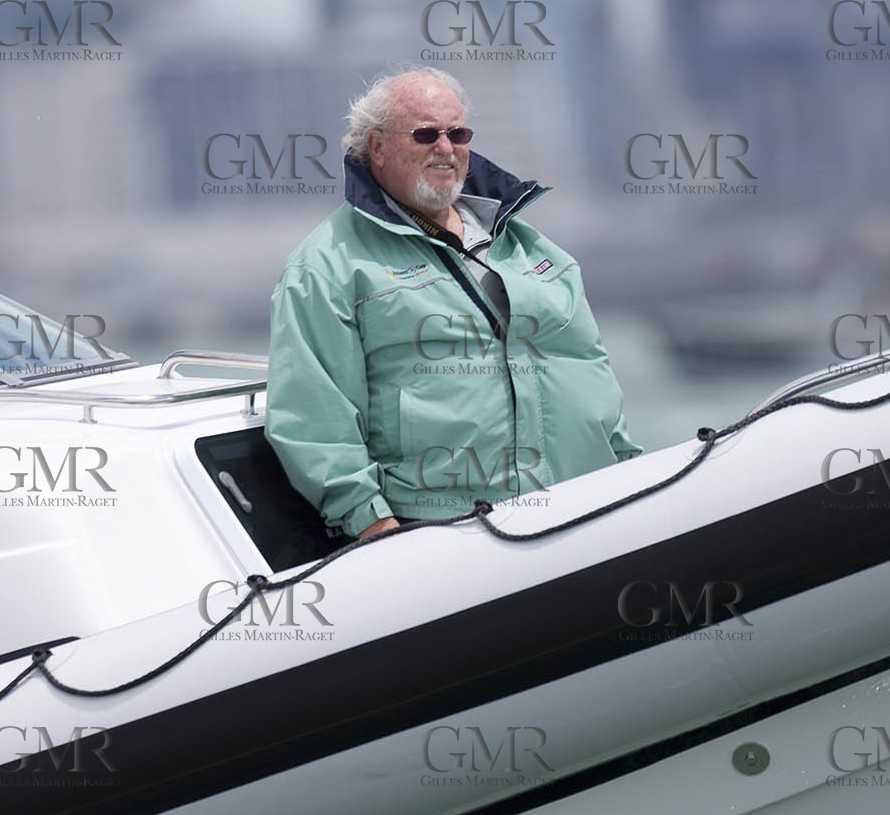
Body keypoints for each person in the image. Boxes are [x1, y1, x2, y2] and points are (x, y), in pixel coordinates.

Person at [266, 66, 640, 540]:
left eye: (457, 133)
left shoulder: (530, 247)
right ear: (376, 147)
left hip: (587, 504)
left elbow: (587, 365)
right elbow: (312, 413)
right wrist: (370, 521)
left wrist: (630, 470)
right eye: (425, 134)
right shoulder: (326, 265)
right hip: (453, 535)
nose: (445, 148)